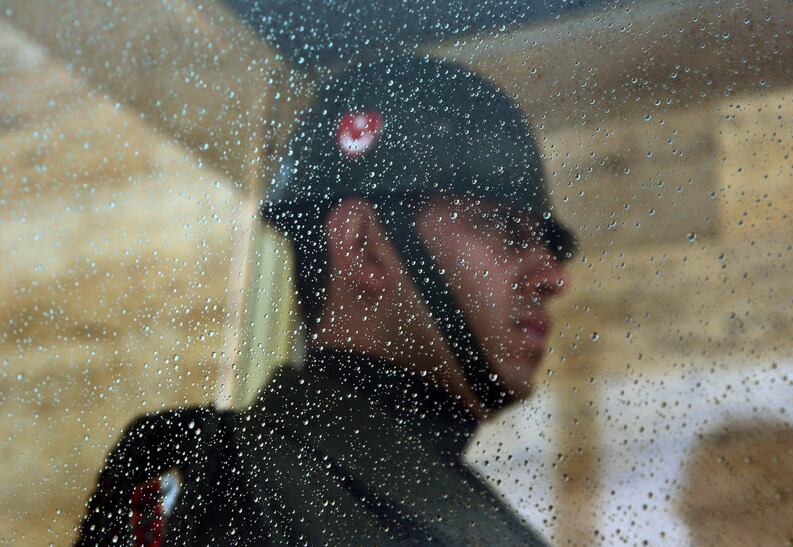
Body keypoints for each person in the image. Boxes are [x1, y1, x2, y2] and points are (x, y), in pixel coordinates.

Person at [76, 54, 576, 546]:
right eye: (505, 230)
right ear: (364, 248)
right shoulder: (214, 474)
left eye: (549, 247)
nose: (554, 278)